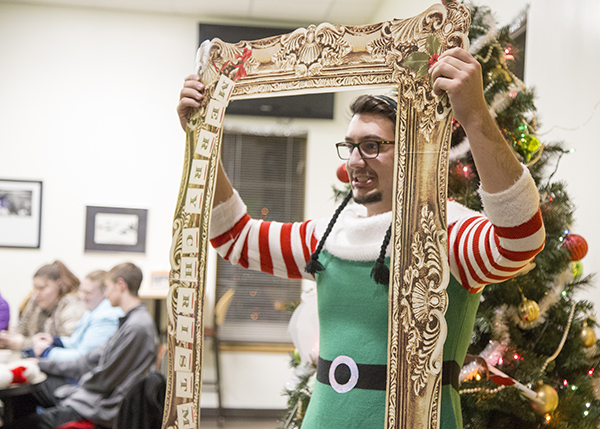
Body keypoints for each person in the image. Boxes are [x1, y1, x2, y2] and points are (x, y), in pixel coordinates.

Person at [177, 48, 545, 429]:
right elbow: (233, 237)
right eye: (351, 146)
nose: (354, 161)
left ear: (412, 153)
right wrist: (203, 142)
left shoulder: (447, 234)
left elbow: (521, 239)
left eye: (371, 145)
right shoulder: (327, 237)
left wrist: (473, 114)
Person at [5, 262, 158, 429]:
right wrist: (40, 362)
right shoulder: (130, 322)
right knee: (26, 398)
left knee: (20, 424)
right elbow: (88, 361)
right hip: (93, 400)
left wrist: (73, 391)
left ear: (120, 285)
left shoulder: (137, 327)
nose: (105, 294)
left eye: (107, 287)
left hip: (99, 410)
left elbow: (105, 379)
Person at [29, 270, 124, 361]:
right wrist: (54, 340)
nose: (82, 296)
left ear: (105, 293)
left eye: (88, 293)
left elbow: (84, 357)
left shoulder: (106, 317)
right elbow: (75, 342)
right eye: (82, 291)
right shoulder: (92, 310)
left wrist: (47, 352)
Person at [0, 261, 86, 351]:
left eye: (42, 288)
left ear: (59, 284)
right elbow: (21, 328)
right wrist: (8, 338)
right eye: (35, 288)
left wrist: (23, 344)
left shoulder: (73, 306)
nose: (36, 293)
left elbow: (66, 344)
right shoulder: (35, 300)